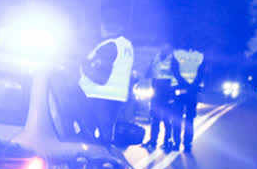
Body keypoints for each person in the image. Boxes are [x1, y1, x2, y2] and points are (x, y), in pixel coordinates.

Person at [78, 11, 134, 143]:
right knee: (106, 134)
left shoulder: (109, 46)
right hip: (114, 96)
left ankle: (98, 160)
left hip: (99, 96)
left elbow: (101, 78)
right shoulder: (126, 45)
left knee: (90, 136)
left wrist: (84, 64)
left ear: (103, 26)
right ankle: (106, 159)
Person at [170, 39, 206, 153]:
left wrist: (183, 84)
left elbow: (174, 70)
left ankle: (176, 144)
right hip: (192, 92)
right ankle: (187, 145)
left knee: (177, 118)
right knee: (189, 119)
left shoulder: (177, 53)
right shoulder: (200, 56)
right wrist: (192, 86)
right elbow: (201, 74)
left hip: (180, 91)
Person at [145, 46, 181, 152]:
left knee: (166, 119)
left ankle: (167, 142)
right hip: (156, 88)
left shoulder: (173, 59)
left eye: (166, 45)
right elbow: (149, 72)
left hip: (167, 90)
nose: (163, 47)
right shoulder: (156, 57)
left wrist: (172, 94)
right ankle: (152, 141)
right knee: (155, 118)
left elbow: (176, 75)